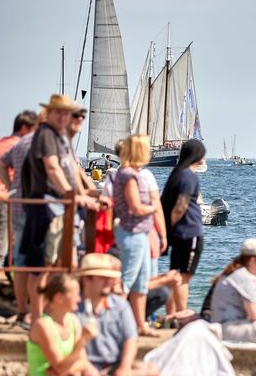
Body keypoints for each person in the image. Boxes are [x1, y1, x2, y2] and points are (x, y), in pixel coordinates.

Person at [20, 94, 96, 323]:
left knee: (61, 264)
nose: (64, 116)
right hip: (47, 206)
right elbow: (52, 169)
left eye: (67, 112)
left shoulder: (61, 138)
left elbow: (72, 169)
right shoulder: (45, 135)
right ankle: (36, 318)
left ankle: (53, 315)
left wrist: (86, 194)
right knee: (42, 266)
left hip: (61, 207)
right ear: (50, 113)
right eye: (60, 112)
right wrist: (72, 196)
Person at [77, 253, 159, 375]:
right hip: (83, 366)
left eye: (110, 278)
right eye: (103, 277)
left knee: (152, 369)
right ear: (87, 279)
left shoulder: (120, 305)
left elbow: (130, 339)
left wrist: (124, 367)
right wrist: (87, 369)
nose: (108, 282)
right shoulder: (74, 307)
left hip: (114, 365)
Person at [0, 110, 39, 327]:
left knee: (11, 255)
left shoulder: (2, 144)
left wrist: (11, 187)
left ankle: (18, 307)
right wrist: (11, 188)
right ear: (24, 128)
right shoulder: (22, 144)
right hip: (6, 201)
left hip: (2, 199)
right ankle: (30, 309)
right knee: (8, 253)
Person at [113, 134, 157, 336]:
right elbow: (135, 207)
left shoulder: (129, 173)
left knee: (141, 284)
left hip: (139, 233)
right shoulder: (129, 175)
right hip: (132, 233)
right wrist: (153, 207)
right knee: (126, 283)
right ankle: (112, 325)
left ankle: (140, 325)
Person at [160, 140, 206, 314]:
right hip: (189, 232)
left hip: (179, 233)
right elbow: (181, 206)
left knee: (175, 275)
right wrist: (170, 226)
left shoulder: (177, 173)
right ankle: (181, 314)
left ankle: (170, 315)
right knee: (184, 276)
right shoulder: (189, 176)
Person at [26, 273, 97, 376]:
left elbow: (83, 362)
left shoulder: (73, 321)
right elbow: (61, 368)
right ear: (59, 298)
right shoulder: (43, 326)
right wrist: (83, 340)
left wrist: (66, 370)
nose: (79, 299)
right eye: (75, 295)